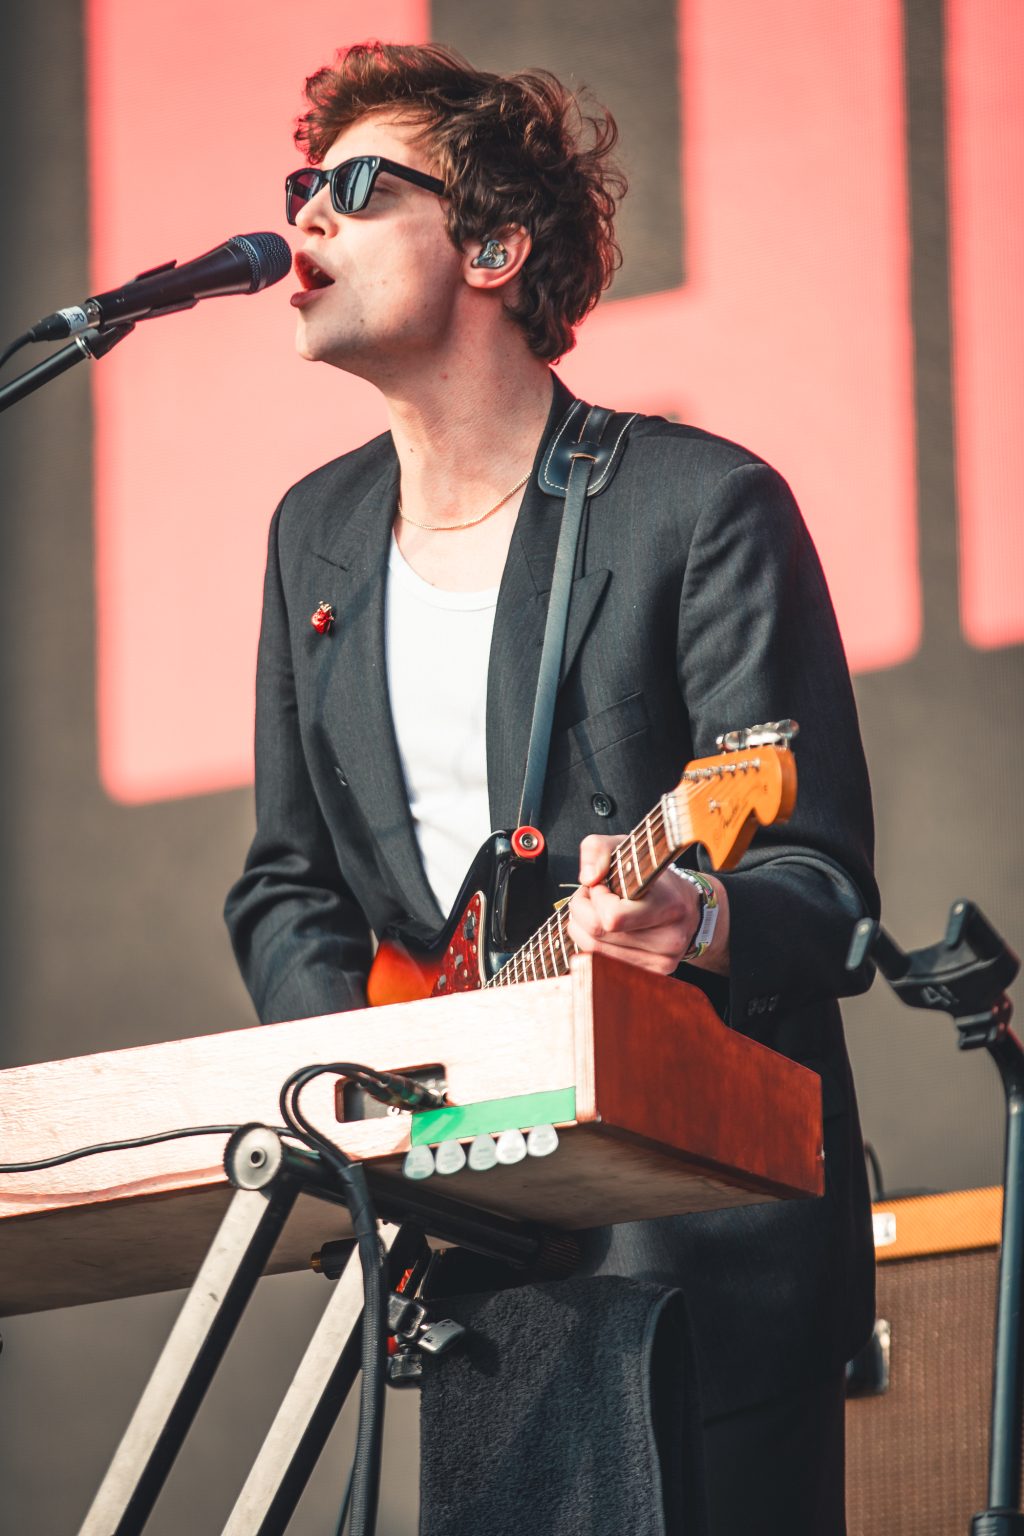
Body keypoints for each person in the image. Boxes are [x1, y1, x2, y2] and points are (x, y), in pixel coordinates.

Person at [225, 41, 879, 1533]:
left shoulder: (698, 508)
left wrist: (694, 921)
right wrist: (370, 1099)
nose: (304, 220)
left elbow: (826, 893)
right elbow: (286, 879)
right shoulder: (310, 537)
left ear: (497, 247)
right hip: (474, 1235)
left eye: (357, 188)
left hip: (694, 1235)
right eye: (297, 190)